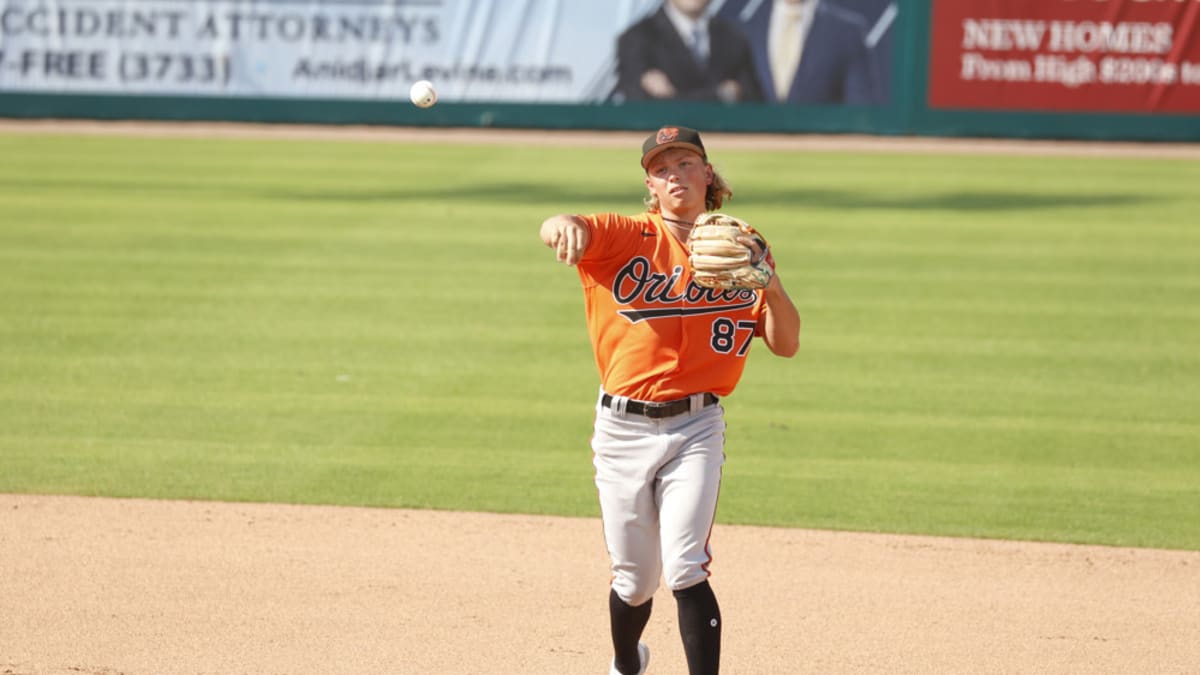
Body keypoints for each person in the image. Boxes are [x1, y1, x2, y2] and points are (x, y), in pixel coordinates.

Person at [538, 126, 801, 675]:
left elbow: (786, 343)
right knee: (634, 580)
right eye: (662, 169)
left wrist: (770, 282)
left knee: (686, 566)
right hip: (621, 429)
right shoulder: (624, 236)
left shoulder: (740, 243)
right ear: (650, 186)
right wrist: (559, 224)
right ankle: (625, 663)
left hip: (696, 427)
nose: (674, 175)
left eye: (685, 164)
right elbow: (567, 225)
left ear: (708, 173)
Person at [718, 0, 884, 104]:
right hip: (752, 152)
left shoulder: (848, 31)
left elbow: (861, 109)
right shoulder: (743, 30)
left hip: (823, 150)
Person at [615, 0, 764, 103]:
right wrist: (722, 95)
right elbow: (638, 104)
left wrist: (673, 97)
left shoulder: (734, 38)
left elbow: (753, 100)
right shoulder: (636, 39)